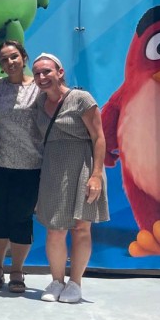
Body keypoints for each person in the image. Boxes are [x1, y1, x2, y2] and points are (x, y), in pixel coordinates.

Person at [32, 53, 108, 304]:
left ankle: (75, 283)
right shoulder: (39, 103)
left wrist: (96, 175)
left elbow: (98, 137)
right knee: (55, 228)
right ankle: (57, 281)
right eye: (37, 73)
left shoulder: (81, 99)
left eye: (47, 71)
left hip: (83, 165)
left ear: (60, 72)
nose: (42, 77)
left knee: (81, 227)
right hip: (53, 168)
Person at [0, 41, 41, 294]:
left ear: (24, 57)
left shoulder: (39, 87)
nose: (10, 62)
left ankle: (17, 270)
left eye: (14, 57)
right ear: (0, 64)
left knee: (22, 219)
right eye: (5, 59)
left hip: (31, 165)